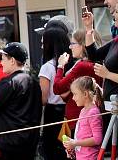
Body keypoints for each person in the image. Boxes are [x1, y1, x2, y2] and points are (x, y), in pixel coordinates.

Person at [0, 42, 42, 160]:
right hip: (29, 141)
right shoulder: (33, 81)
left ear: (12, 61)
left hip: (12, 144)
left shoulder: (10, 82)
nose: (1, 63)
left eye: (4, 59)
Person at [84, 0, 118, 124]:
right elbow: (94, 55)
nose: (105, 1)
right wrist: (88, 29)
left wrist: (107, 74)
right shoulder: (116, 40)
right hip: (111, 107)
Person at [54, 29, 102, 129]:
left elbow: (57, 88)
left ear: (82, 45)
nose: (70, 47)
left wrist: (60, 66)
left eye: (73, 43)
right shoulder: (95, 63)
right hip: (86, 117)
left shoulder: (82, 66)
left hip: (79, 120)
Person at [39, 26, 72, 160]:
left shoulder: (47, 67)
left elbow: (43, 99)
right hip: (71, 111)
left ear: (50, 45)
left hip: (53, 113)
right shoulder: (72, 63)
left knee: (52, 151)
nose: (41, 47)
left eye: (43, 43)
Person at [63, 76, 103, 160]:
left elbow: (97, 139)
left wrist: (75, 143)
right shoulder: (83, 111)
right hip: (81, 156)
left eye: (75, 94)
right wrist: (72, 144)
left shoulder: (93, 112)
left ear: (85, 94)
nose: (73, 98)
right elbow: (83, 136)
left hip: (90, 157)